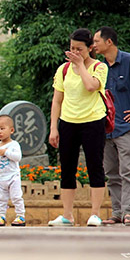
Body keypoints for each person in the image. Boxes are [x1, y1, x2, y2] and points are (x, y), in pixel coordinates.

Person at [48, 28, 108, 227]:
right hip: (68, 122)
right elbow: (57, 101)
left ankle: (95, 213)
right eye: (72, 48)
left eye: (79, 49)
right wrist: (53, 128)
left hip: (93, 121)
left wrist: (81, 64)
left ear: (90, 48)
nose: (74, 52)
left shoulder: (99, 67)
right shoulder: (62, 70)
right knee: (67, 169)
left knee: (94, 167)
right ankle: (67, 215)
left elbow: (91, 86)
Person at [93, 26, 130, 226]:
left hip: (126, 128)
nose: (93, 45)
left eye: (96, 41)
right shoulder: (99, 67)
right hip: (105, 129)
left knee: (128, 171)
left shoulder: (128, 61)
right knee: (111, 173)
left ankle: (128, 211)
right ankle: (117, 212)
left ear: (109, 42)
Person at [0, 115, 26, 227]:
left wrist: (5, 152)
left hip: (13, 176)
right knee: (0, 198)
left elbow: (18, 157)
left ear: (11, 130)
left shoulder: (14, 145)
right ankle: (1, 216)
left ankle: (20, 215)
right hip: (0, 177)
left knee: (16, 196)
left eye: (2, 128)